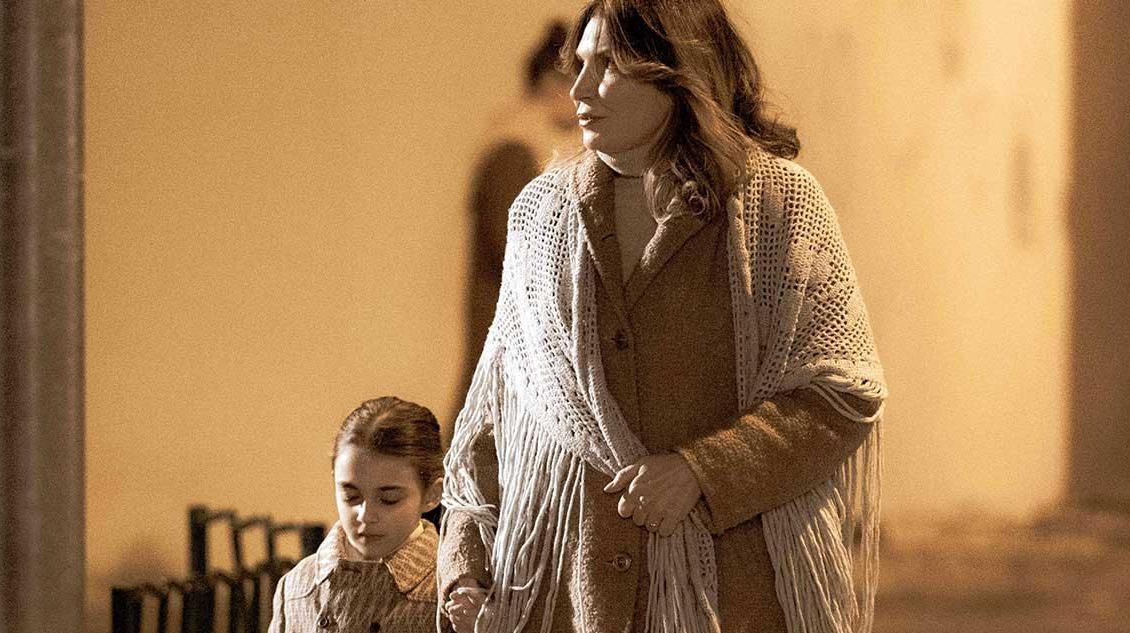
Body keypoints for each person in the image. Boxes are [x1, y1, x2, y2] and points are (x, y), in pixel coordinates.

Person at [439, 2, 887, 633]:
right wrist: (464, 568)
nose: (580, 88)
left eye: (608, 65)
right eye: (579, 64)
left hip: (739, 596)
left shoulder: (778, 205)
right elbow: (494, 421)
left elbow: (841, 394)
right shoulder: (541, 215)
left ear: (676, 70)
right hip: (575, 594)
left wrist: (702, 471)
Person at [456, 20, 579, 436]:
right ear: (552, 84)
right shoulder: (517, 152)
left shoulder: (523, 148)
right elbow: (528, 261)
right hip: (512, 362)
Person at [268, 397, 449, 633]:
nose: (365, 515)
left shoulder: (452, 592)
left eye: (389, 499)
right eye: (351, 496)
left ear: (432, 495)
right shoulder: (296, 586)